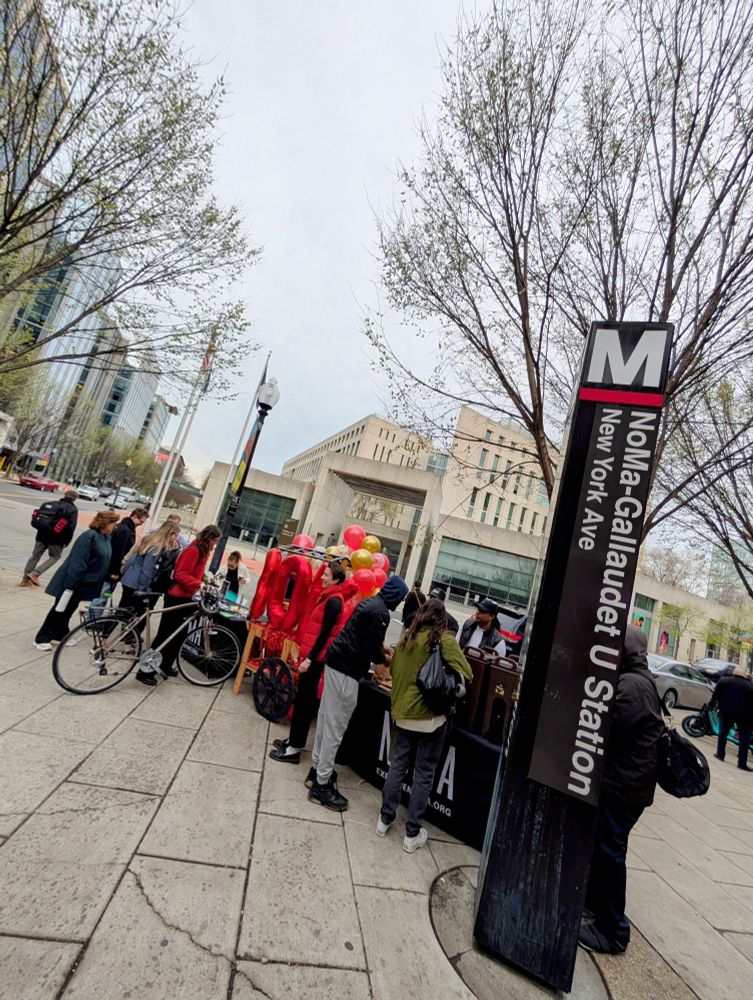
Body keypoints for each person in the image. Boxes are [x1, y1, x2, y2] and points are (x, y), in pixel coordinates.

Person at [579, 625, 664, 955]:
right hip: (627, 784)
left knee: (611, 851)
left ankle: (613, 930)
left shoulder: (631, 687)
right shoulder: (639, 681)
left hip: (625, 787)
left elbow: (605, 728)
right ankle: (597, 904)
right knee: (606, 846)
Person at [378, 598, 473, 852]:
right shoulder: (444, 640)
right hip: (431, 719)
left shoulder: (406, 639)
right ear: (442, 619)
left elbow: (395, 672)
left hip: (403, 714)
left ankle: (384, 819)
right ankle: (411, 834)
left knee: (397, 767)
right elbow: (468, 672)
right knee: (423, 775)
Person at [308, 575, 409, 811]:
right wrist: (387, 657)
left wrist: (379, 647)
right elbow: (370, 651)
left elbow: (361, 635)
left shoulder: (370, 602)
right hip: (348, 670)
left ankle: (316, 770)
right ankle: (321, 785)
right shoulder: (382, 613)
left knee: (325, 719)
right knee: (336, 726)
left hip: (336, 662)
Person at [270, 562, 358, 766]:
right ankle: (292, 740)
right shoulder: (330, 597)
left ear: (336, 579)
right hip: (313, 656)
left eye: (326, 575)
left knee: (304, 703)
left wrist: (310, 658)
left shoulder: (334, 602)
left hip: (316, 659)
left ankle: (294, 748)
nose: (322, 577)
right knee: (302, 699)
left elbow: (324, 634)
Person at [135, 524, 221, 686]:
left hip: (186, 597)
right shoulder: (193, 550)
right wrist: (199, 584)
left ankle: (165, 664)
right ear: (209, 538)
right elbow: (181, 574)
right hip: (177, 597)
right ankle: (145, 671)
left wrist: (205, 578)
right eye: (214, 541)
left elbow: (195, 570)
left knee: (179, 635)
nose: (214, 545)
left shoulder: (200, 551)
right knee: (165, 635)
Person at [33, 510, 119, 650]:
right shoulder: (89, 536)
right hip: (72, 580)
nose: (115, 526)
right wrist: (71, 584)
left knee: (68, 610)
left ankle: (60, 635)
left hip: (84, 582)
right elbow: (78, 562)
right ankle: (42, 638)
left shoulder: (105, 537)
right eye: (113, 523)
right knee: (59, 609)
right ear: (106, 523)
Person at [118, 521, 181, 633]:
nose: (176, 538)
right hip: (136, 582)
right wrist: (144, 590)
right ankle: (118, 639)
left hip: (130, 579)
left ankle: (110, 637)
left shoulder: (149, 540)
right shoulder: (156, 547)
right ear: (169, 533)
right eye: (175, 535)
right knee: (130, 612)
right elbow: (146, 570)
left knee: (123, 610)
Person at [21, 488, 79, 587]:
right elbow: (71, 527)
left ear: (65, 495)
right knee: (55, 557)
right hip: (57, 538)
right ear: (74, 499)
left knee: (35, 556)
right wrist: (67, 541)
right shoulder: (72, 509)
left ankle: (25, 580)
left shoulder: (50, 504)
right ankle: (35, 574)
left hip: (42, 534)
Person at [709, 666, 753, 770]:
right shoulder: (750, 686)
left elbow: (716, 695)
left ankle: (720, 754)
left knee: (723, 734)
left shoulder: (724, 681)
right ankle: (741, 763)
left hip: (726, 712)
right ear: (744, 675)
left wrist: (713, 703)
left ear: (734, 673)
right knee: (744, 740)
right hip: (744, 716)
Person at [108, 507, 149, 585]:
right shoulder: (125, 530)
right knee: (105, 592)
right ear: (134, 517)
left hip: (112, 568)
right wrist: (115, 571)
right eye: (141, 521)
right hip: (112, 570)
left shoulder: (124, 527)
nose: (141, 523)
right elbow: (118, 552)